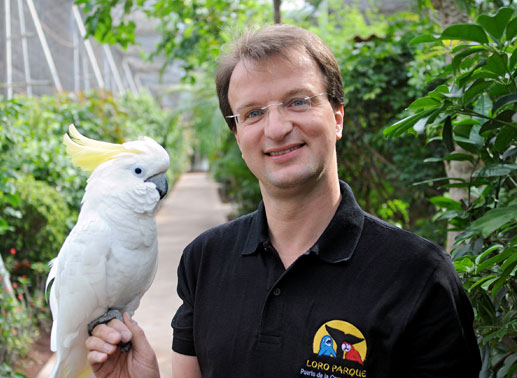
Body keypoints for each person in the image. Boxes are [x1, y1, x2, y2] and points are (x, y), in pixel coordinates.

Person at [86, 24, 481, 378]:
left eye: (298, 101)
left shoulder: (418, 276)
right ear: (238, 136)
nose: (277, 128)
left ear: (338, 116)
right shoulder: (205, 260)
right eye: (253, 113)